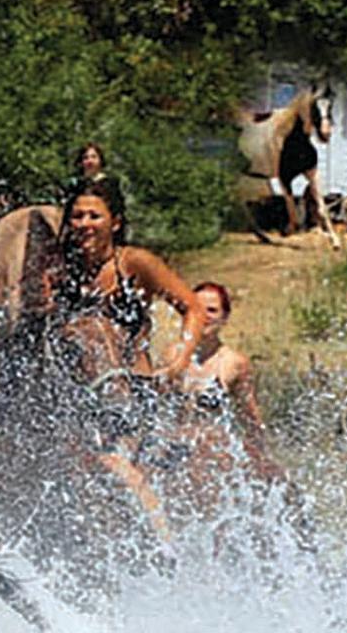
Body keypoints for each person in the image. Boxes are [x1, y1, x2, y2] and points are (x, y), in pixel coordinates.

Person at [48, 177, 206, 383]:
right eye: (77, 216)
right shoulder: (60, 269)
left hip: (135, 385)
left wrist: (180, 361)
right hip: (77, 390)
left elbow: (194, 308)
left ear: (115, 223)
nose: (85, 224)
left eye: (94, 216)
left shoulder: (135, 263)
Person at [175, 282, 281, 480]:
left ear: (224, 318)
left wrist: (264, 458)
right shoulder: (172, 356)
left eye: (212, 310)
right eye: (197, 308)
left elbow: (250, 417)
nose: (204, 316)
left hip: (214, 461)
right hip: (177, 457)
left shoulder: (234, 364)